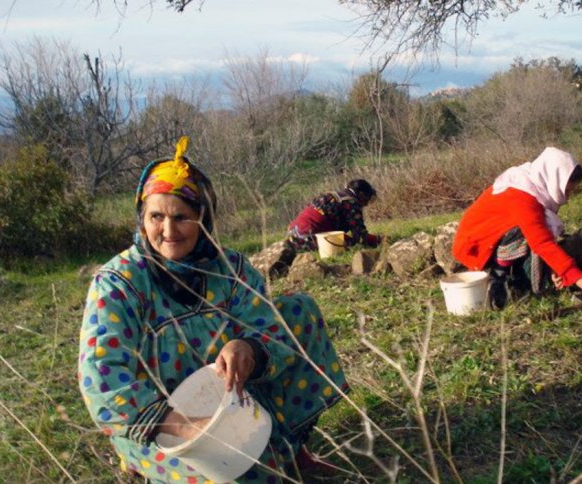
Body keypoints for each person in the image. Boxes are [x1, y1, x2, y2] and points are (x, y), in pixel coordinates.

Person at [78, 137, 349, 483]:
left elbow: (271, 325)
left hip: (227, 401)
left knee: (298, 312)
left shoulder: (228, 266)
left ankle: (292, 448)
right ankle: (142, 464)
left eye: (182, 217)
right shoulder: (119, 284)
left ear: (203, 218)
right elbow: (101, 378)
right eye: (155, 216)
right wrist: (183, 426)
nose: (168, 230)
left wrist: (247, 348)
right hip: (163, 424)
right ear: (141, 218)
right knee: (245, 473)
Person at [452, 146, 582, 311]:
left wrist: (554, 269)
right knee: (524, 232)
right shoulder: (521, 196)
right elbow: (542, 243)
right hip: (478, 249)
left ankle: (519, 280)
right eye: (566, 191)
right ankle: (499, 277)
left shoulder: (534, 188)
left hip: (497, 243)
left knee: (536, 235)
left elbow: (543, 237)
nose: (566, 199)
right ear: (553, 178)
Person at [287, 179, 383, 251]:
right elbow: (360, 236)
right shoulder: (351, 202)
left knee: (344, 239)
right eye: (367, 199)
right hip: (308, 236)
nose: (366, 204)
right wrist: (378, 240)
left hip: (292, 232)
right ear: (361, 195)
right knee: (348, 244)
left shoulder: (332, 195)